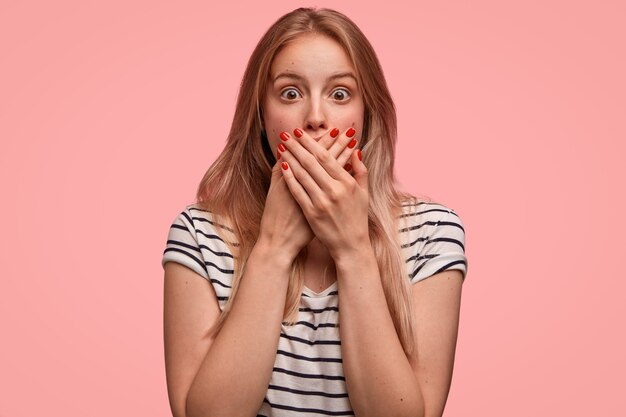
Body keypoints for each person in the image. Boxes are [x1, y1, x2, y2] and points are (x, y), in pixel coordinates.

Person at [161, 7, 468, 417]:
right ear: (261, 116)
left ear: (367, 114)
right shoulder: (199, 235)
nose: (316, 118)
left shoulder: (432, 233)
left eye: (340, 94)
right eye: (290, 93)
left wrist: (353, 248)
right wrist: (273, 248)